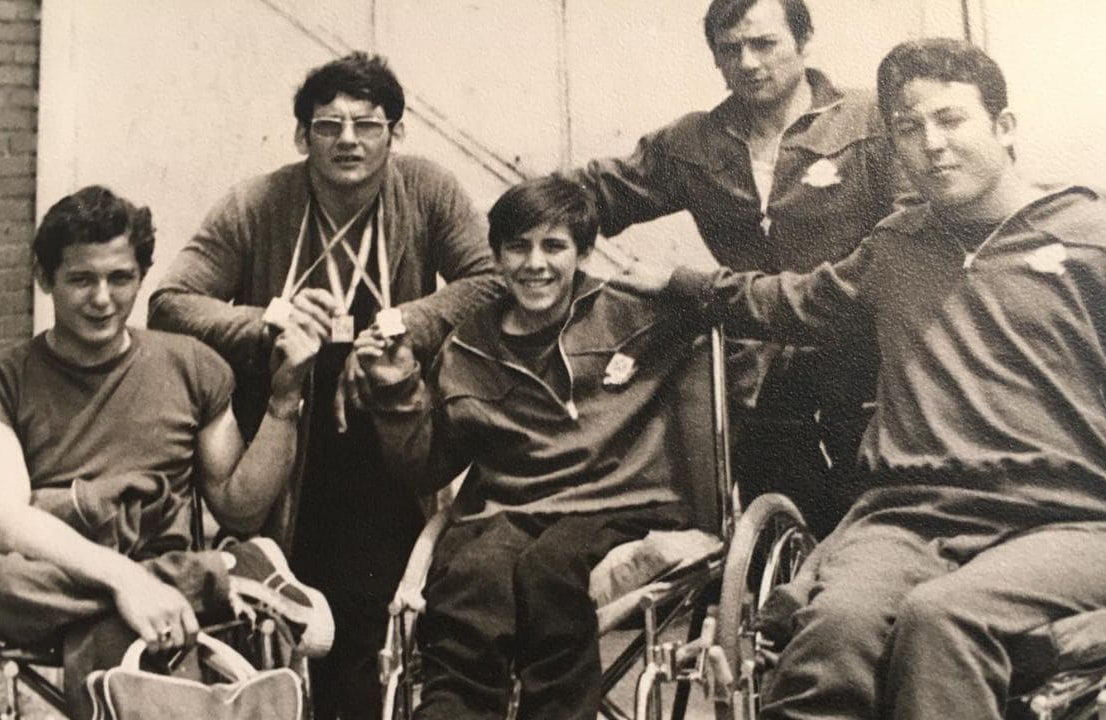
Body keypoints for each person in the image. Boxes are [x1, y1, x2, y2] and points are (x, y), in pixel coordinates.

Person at [608, 38, 1106, 718]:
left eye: (951, 119)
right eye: (909, 127)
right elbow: (796, 300)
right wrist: (686, 283)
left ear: (1004, 127)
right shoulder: (896, 246)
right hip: (908, 518)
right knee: (834, 632)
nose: (932, 144)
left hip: (1076, 520)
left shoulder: (1103, 246)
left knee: (943, 621)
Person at [147, 52, 502, 718]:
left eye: (367, 125)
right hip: (285, 423)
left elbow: (488, 280)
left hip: (388, 418)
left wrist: (407, 320)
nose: (347, 140)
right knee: (285, 601)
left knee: (370, 608)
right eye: (327, 124)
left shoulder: (427, 189)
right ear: (301, 134)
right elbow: (170, 300)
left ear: (395, 133)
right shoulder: (258, 201)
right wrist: (269, 320)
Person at [0, 186, 333, 718]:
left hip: (141, 560)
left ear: (141, 275)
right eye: (82, 279)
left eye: (120, 278)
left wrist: (286, 396)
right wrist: (128, 583)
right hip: (57, 564)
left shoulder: (190, 366)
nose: (103, 298)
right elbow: (3, 524)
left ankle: (195, 594)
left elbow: (240, 507)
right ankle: (219, 575)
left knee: (85, 616)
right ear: (44, 278)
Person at [355, 175, 696, 720]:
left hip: (620, 502)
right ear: (495, 256)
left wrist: (684, 282)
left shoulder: (631, 310)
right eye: (517, 247)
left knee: (550, 572)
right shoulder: (467, 346)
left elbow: (731, 324)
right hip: (512, 512)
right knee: (468, 579)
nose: (534, 263)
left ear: (583, 253)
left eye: (554, 246)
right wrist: (396, 386)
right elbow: (429, 468)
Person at [577, 0, 905, 534]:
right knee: (778, 541)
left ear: (803, 41)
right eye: (730, 49)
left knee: (872, 538)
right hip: (761, 391)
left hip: (871, 379)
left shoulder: (871, 123)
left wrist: (692, 285)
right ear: (715, 58)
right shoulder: (693, 143)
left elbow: (892, 264)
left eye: (765, 44)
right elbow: (590, 195)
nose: (748, 63)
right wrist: (513, 243)